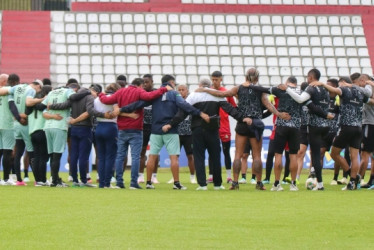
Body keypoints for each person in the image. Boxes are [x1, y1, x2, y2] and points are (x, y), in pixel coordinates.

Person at [197, 68, 290, 190]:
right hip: (256, 123)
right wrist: (279, 114)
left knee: (238, 155)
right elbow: (268, 105)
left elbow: (222, 94)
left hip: (242, 123)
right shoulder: (259, 90)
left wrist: (205, 89)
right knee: (257, 156)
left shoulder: (238, 88)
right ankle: (259, 183)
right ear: (256, 78)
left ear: (246, 76)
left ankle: (235, 182)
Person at [170, 78, 247, 190]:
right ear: (210, 86)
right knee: (215, 156)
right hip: (212, 129)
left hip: (197, 129)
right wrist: (242, 118)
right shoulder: (217, 95)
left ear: (200, 85)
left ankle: (202, 184)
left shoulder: (193, 96)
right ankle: (217, 184)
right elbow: (230, 109)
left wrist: (171, 124)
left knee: (199, 156)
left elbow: (182, 112)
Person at [99, 78, 172, 189]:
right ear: (140, 85)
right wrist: (164, 89)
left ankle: (119, 182)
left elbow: (106, 100)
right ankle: (133, 182)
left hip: (122, 128)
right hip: (136, 128)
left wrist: (100, 94)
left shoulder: (121, 91)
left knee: (120, 156)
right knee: (135, 157)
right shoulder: (139, 91)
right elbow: (150, 96)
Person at [311, 77, 372, 190]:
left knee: (334, 153)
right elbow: (370, 101)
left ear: (343, 83)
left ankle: (349, 174)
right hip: (358, 128)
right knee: (354, 156)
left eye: (339, 84)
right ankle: (353, 181)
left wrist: (322, 85)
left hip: (346, 127)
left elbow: (335, 90)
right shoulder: (360, 92)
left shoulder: (344, 90)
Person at [48, 83, 114, 188]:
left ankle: (74, 179)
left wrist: (51, 106)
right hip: (85, 128)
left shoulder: (74, 98)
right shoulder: (89, 97)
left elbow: (63, 105)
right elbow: (90, 111)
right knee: (84, 156)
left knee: (73, 155)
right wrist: (103, 115)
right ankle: (84, 180)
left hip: (74, 129)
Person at [281, 69, 330, 190]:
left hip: (314, 125)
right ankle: (316, 178)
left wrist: (286, 89)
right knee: (317, 154)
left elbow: (299, 99)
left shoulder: (311, 88)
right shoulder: (325, 89)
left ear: (310, 77)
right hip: (326, 125)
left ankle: (320, 184)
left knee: (316, 155)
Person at [0, 78, 45, 185]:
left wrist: (17, 117)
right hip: (23, 124)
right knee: (31, 151)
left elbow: (12, 105)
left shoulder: (14, 89)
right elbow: (29, 104)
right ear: (38, 86)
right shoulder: (31, 91)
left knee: (17, 152)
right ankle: (37, 180)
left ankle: (19, 180)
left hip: (15, 124)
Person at [42, 83, 76, 187]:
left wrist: (52, 116)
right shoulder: (68, 91)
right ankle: (55, 181)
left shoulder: (51, 93)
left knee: (52, 155)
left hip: (48, 126)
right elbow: (73, 99)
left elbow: (43, 110)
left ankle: (54, 178)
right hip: (59, 126)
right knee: (57, 155)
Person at [208, 71, 237, 184]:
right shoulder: (209, 92)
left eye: (216, 79)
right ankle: (211, 176)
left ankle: (229, 176)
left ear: (221, 79)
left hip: (224, 126)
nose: (214, 81)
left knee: (226, 151)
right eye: (213, 79)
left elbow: (233, 108)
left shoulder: (226, 93)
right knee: (212, 151)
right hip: (212, 126)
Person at [93, 83, 124, 188]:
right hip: (111, 127)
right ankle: (107, 182)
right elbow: (117, 111)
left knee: (100, 157)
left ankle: (101, 183)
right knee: (110, 156)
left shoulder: (97, 99)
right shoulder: (114, 98)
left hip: (99, 126)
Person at [25, 84, 52, 186]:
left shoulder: (31, 104)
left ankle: (38, 180)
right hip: (42, 130)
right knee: (43, 157)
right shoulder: (44, 103)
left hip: (32, 132)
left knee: (36, 156)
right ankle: (43, 180)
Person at [138, 74, 159, 184]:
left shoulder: (157, 93)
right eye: (143, 82)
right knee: (142, 151)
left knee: (155, 152)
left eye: (147, 82)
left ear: (152, 82)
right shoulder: (140, 93)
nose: (145, 84)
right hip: (143, 126)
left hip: (155, 126)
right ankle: (140, 175)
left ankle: (154, 176)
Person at [176, 84, 196, 184]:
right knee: (175, 156)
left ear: (187, 91)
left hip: (189, 133)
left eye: (183, 90)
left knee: (190, 156)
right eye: (179, 90)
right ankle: (174, 177)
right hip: (177, 133)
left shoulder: (191, 102)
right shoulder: (175, 102)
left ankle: (192, 177)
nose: (181, 91)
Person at [358, 75, 374, 188]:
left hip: (370, 124)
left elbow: (369, 97)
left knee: (365, 154)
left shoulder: (368, 87)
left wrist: (352, 86)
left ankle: (357, 180)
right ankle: (371, 181)